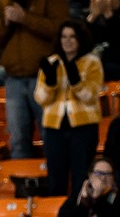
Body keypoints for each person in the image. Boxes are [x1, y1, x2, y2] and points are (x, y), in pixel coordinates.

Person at [0, 0, 69, 160]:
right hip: (14, 79)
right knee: (17, 140)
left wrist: (25, 18)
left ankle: (55, 182)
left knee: (51, 136)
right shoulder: (5, 1)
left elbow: (61, 31)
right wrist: (5, 24)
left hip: (45, 77)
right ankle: (23, 185)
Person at [35, 19, 104, 199]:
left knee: (81, 177)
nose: (68, 41)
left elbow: (90, 96)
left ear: (80, 39)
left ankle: (79, 216)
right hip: (54, 128)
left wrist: (76, 82)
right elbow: (41, 98)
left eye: (72, 37)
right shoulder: (51, 63)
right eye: (64, 37)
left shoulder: (92, 62)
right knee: (56, 178)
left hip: (83, 128)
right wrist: (50, 84)